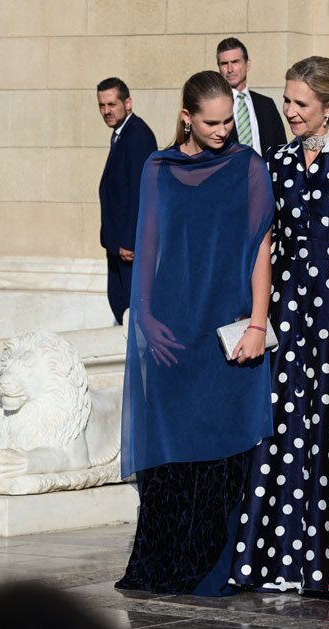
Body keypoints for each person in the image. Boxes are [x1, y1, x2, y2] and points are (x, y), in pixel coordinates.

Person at [116, 70, 275, 596]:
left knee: (222, 453)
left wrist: (258, 321)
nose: (223, 130)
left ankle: (210, 568)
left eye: (229, 119)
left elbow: (260, 248)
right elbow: (149, 244)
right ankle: (161, 565)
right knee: (170, 452)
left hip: (226, 331)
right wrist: (145, 320)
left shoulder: (249, 167)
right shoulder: (157, 167)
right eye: (211, 121)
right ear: (186, 116)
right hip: (170, 331)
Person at [231, 56, 329, 595]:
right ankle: (275, 562)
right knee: (282, 426)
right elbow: (260, 242)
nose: (290, 112)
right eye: (288, 101)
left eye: (300, 104)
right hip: (287, 307)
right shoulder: (274, 160)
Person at [96, 77, 157, 325]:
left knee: (130, 313)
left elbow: (141, 190)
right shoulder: (121, 134)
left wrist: (129, 240)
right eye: (102, 105)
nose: (107, 111)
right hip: (118, 244)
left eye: (112, 104)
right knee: (120, 308)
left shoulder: (137, 135)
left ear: (127, 103)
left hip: (128, 248)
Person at [216, 37, 287, 156]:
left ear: (247, 64)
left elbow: (280, 146)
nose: (230, 69)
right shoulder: (216, 106)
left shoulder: (266, 104)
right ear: (219, 68)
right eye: (224, 64)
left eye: (235, 62)